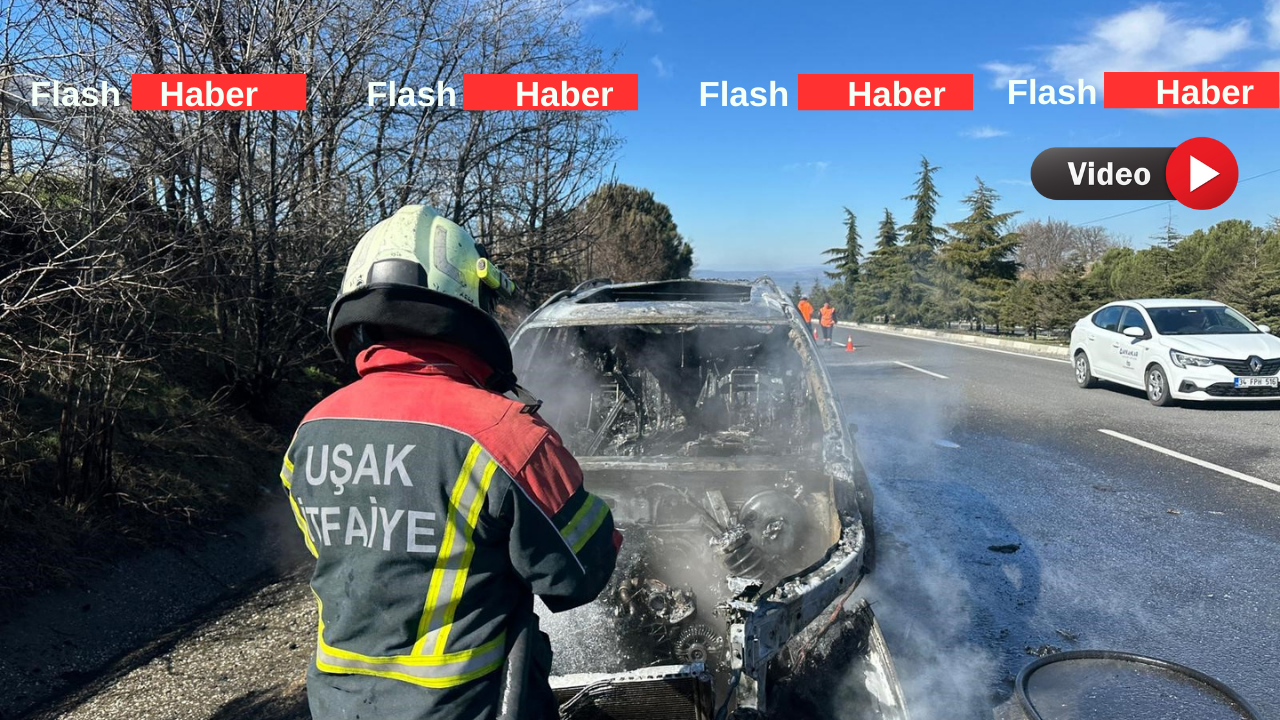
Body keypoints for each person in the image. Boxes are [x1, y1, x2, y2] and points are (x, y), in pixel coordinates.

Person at [280, 205, 620, 720]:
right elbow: (580, 574)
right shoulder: (505, 435)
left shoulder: (312, 429)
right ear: (471, 305)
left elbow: (346, 549)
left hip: (338, 707)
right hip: (470, 707)